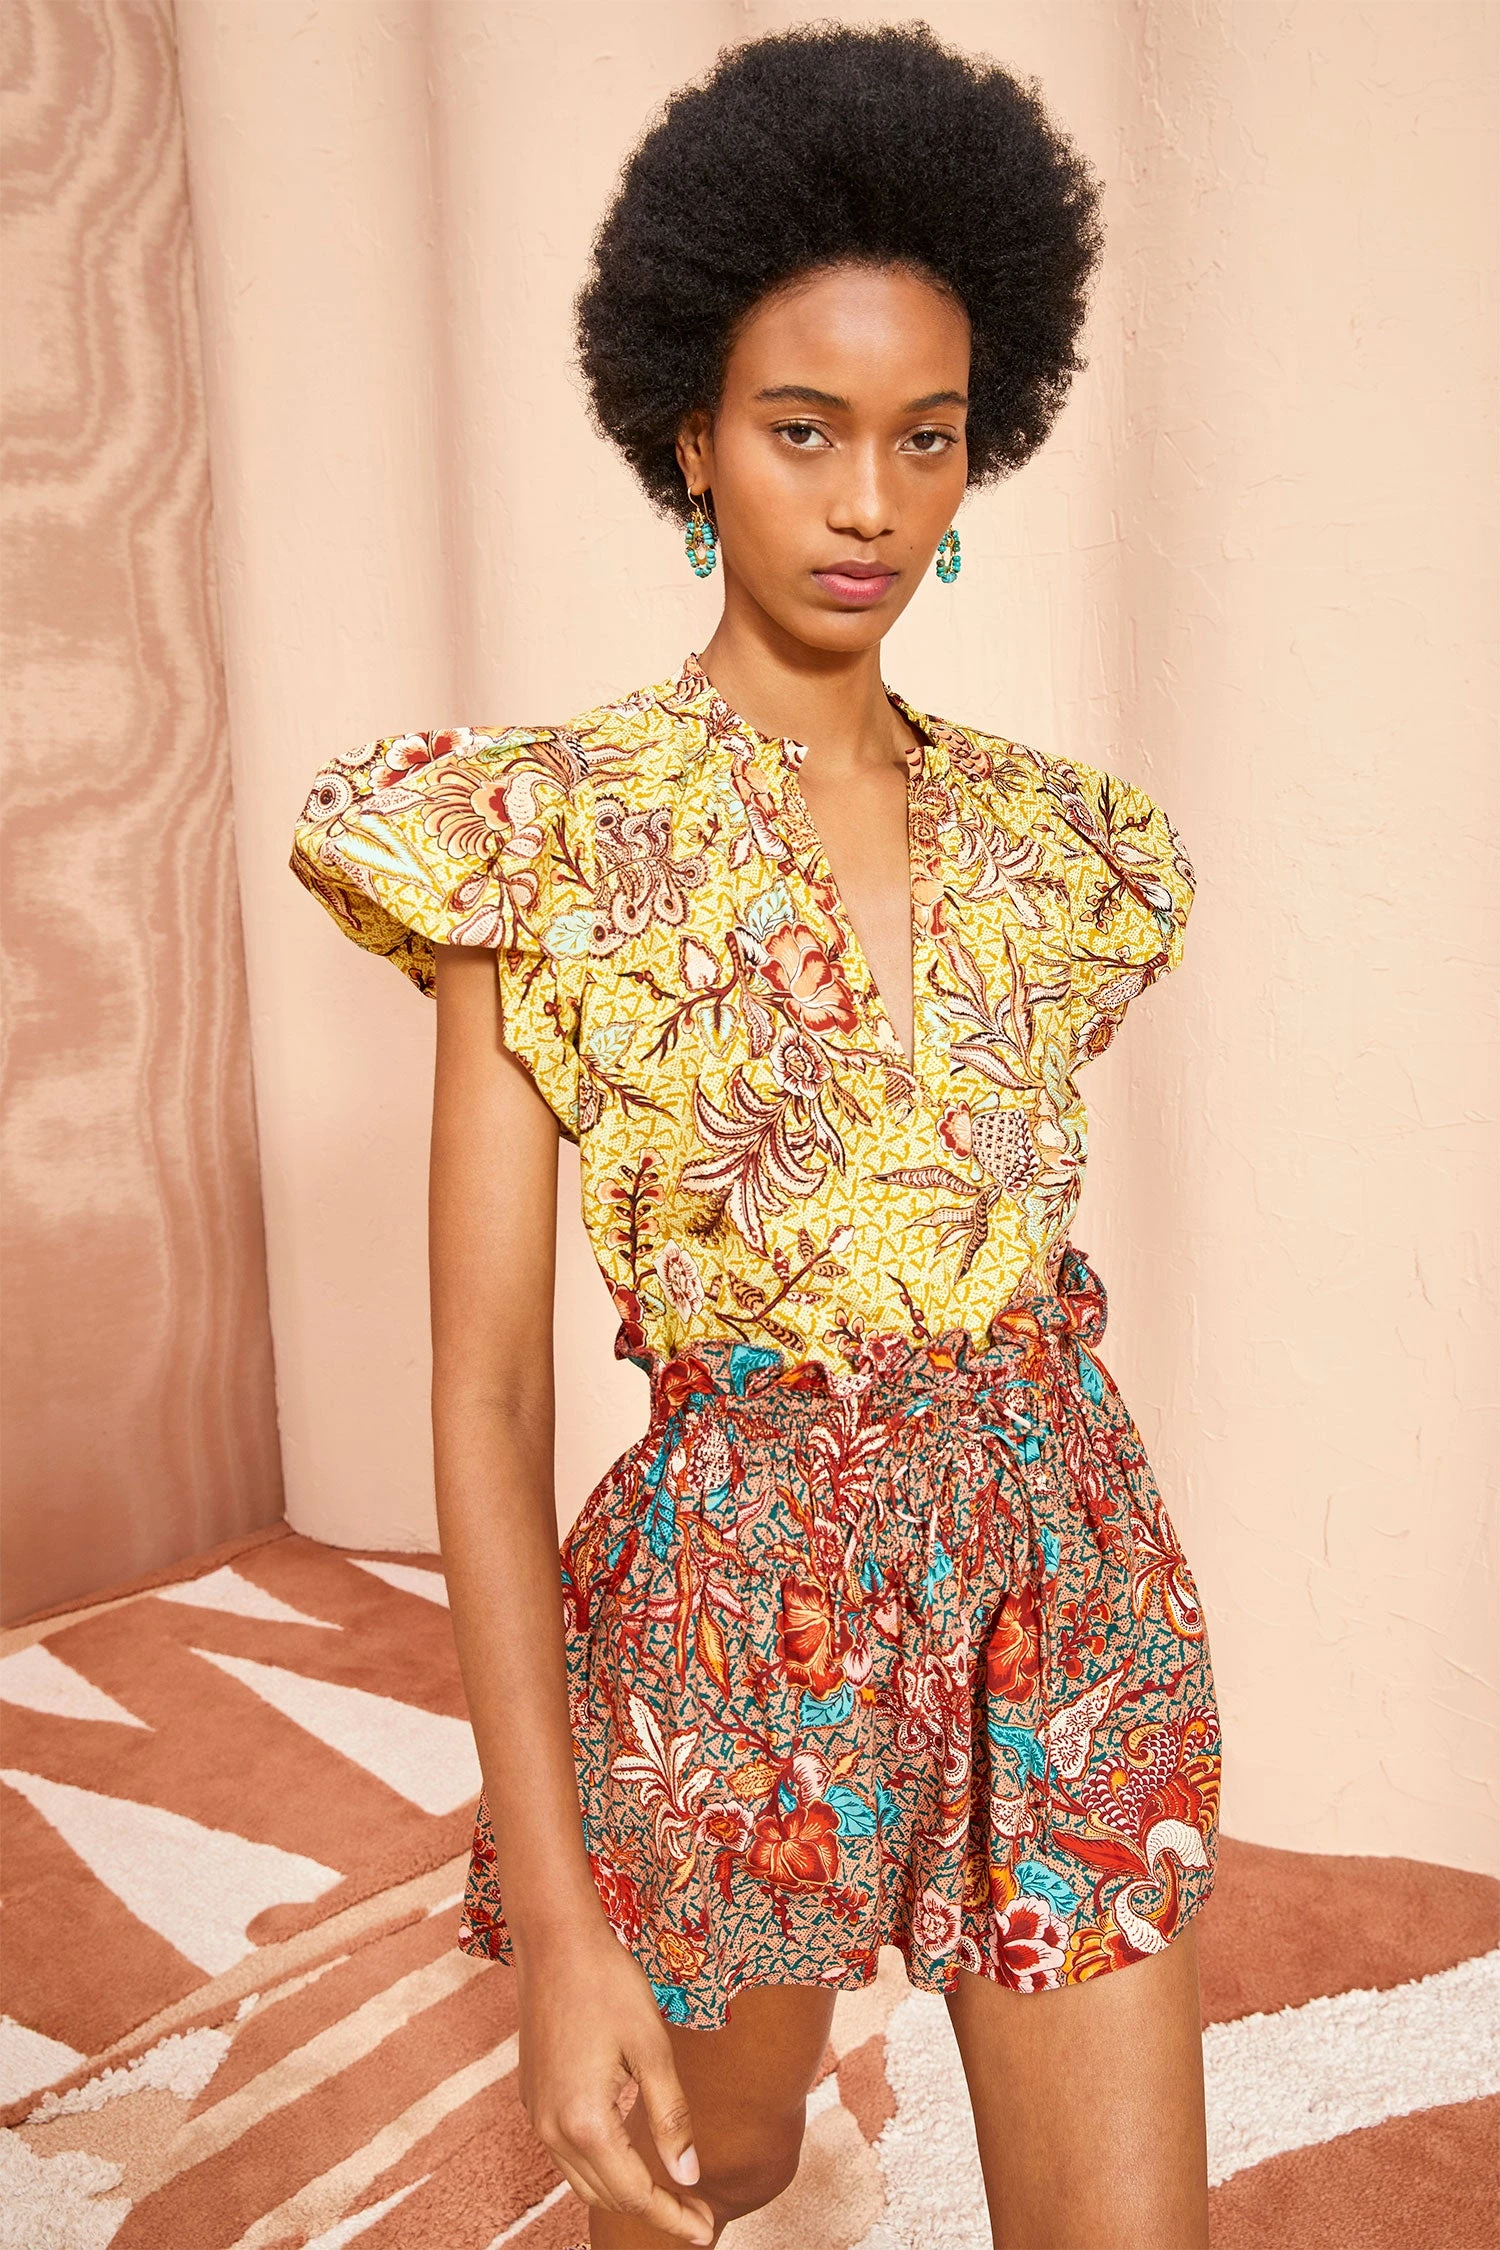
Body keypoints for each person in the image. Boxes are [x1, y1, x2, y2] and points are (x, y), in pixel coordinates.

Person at [291, 24, 1221, 2249]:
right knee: (698, 2182)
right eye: (805, 430)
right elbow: (486, 1392)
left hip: (1060, 1596)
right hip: (732, 1637)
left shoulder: (1065, 850)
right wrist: (563, 1926)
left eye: (927, 437)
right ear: (691, 437)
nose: (870, 502)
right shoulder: (544, 841)